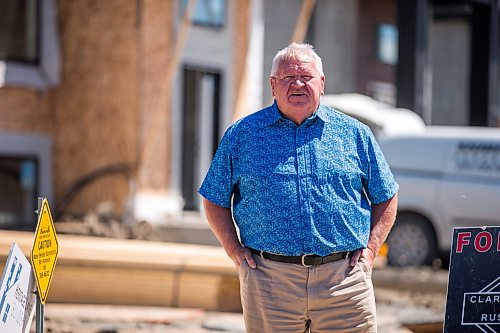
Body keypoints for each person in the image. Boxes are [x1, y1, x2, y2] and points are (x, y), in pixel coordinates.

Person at [199, 43, 398, 333]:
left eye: (306, 76)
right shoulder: (242, 135)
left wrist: (370, 251)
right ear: (272, 85)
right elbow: (214, 197)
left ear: (322, 83)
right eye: (287, 78)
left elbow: (386, 195)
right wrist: (233, 250)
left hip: (344, 281)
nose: (298, 84)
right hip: (269, 281)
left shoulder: (355, 134)